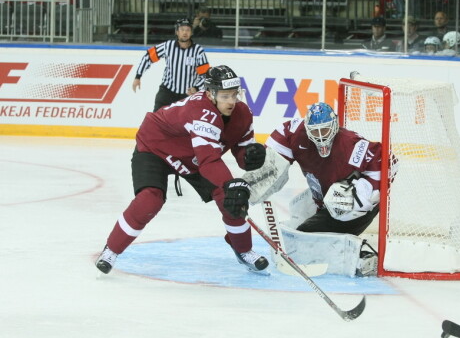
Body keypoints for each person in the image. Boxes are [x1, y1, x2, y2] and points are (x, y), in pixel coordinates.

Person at [95, 65, 270, 275]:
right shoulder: (201, 112)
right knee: (150, 199)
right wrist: (231, 183)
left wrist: (250, 156)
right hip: (156, 147)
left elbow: (241, 151)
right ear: (210, 94)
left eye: (234, 94)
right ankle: (111, 251)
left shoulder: (243, 114)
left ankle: (243, 250)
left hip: (193, 157)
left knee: (229, 198)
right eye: (225, 96)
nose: (231, 101)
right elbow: (208, 159)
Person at [246, 102, 391, 276]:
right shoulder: (296, 133)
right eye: (315, 131)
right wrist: (248, 188)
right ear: (307, 128)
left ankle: (361, 258)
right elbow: (274, 155)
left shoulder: (350, 144)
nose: (321, 137)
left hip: (348, 206)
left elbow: (389, 161)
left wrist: (362, 194)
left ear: (335, 126)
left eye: (325, 130)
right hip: (323, 198)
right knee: (297, 209)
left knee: (304, 239)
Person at [133, 18, 210, 112]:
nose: (185, 32)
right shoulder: (168, 46)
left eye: (188, 30)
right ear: (177, 32)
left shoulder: (198, 51)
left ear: (191, 33)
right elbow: (148, 57)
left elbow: (205, 74)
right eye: (182, 30)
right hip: (167, 91)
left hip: (187, 95)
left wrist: (196, 88)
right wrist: (138, 76)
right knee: (156, 119)